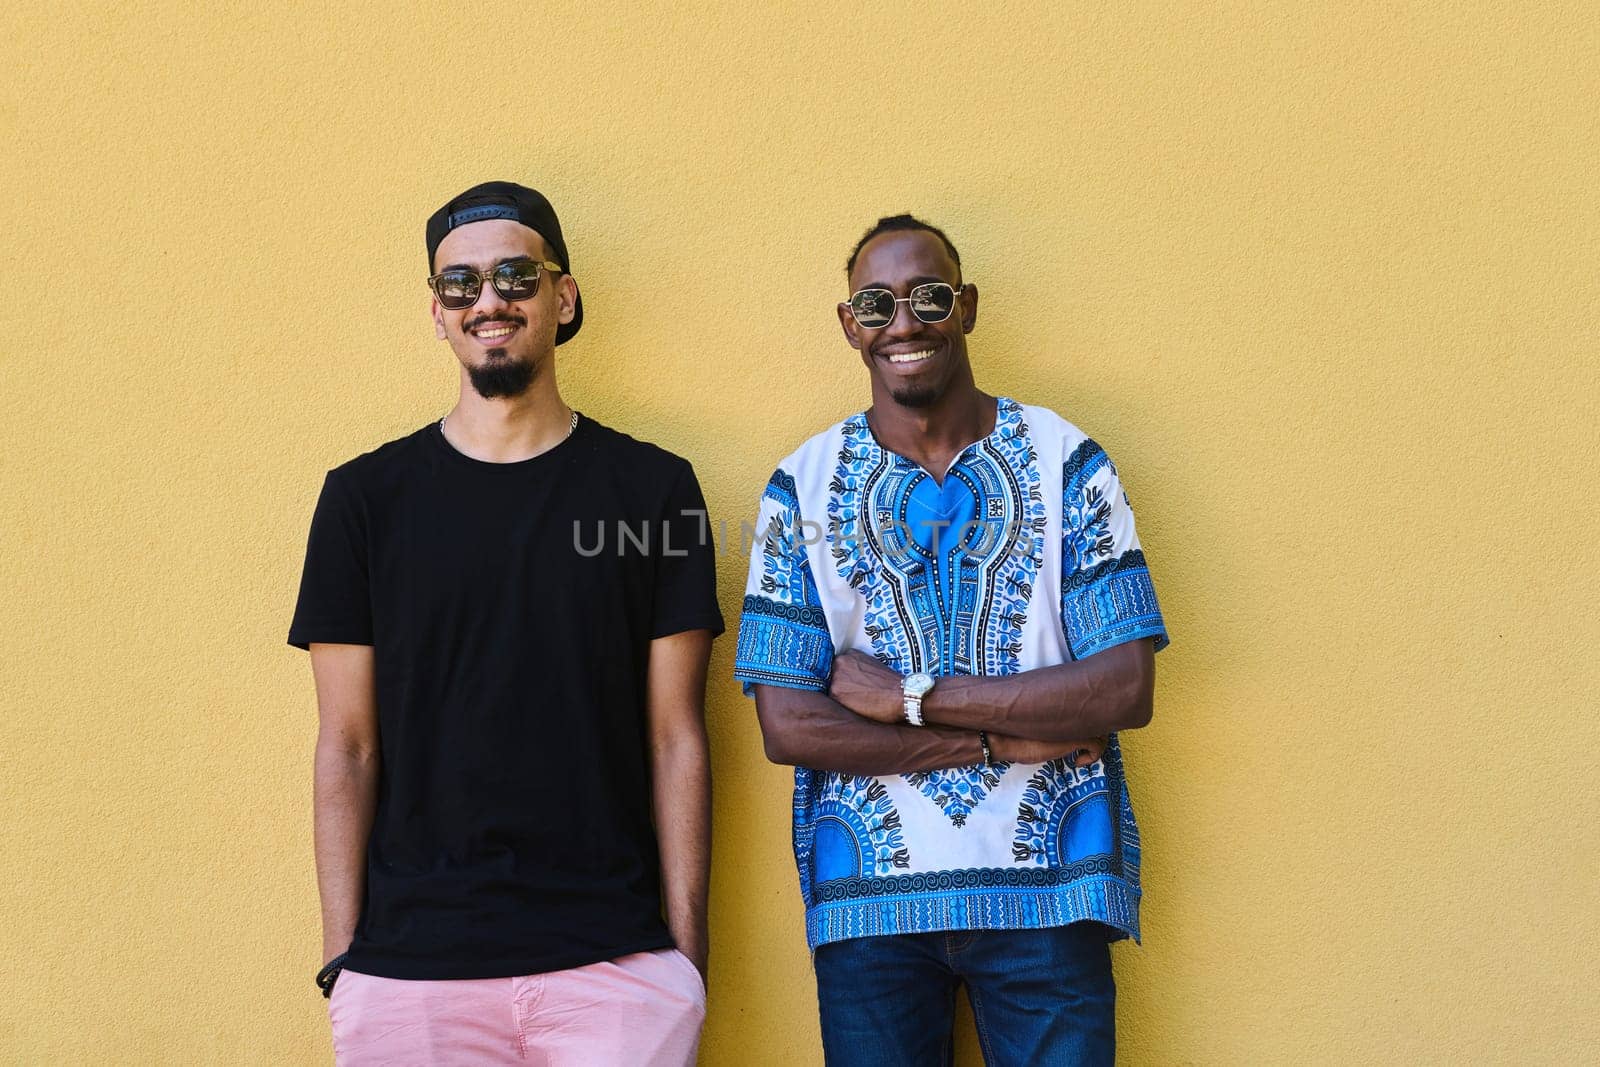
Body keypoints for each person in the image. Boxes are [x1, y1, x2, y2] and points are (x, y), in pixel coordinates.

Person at [289, 181, 722, 1065]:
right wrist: (345, 961)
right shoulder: (364, 501)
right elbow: (347, 744)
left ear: (562, 298)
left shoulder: (654, 492)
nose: (489, 300)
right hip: (411, 972)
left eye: (516, 275)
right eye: (461, 285)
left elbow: (677, 735)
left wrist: (684, 961)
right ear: (438, 313)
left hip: (616, 961)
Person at [734, 214, 1169, 1065]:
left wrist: (907, 699)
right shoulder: (800, 488)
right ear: (849, 324)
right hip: (872, 914)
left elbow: (1123, 689)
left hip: (1049, 898)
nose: (904, 321)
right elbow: (790, 725)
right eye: (877, 302)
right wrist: (997, 734)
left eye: (929, 296)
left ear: (965, 307)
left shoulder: (1066, 459)